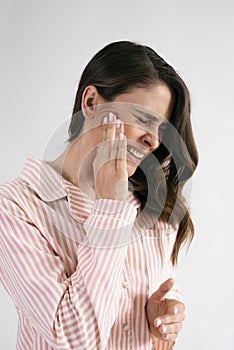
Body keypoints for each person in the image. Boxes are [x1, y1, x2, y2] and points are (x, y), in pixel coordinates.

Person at [0, 41, 198, 350]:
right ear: (92, 103)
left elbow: (158, 328)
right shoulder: (15, 207)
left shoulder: (151, 214)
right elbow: (72, 337)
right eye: (144, 119)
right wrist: (110, 206)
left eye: (162, 129)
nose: (154, 141)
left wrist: (159, 323)